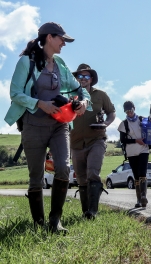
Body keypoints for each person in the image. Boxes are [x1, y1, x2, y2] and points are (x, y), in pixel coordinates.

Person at [4, 22, 90, 233]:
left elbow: (82, 91)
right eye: (62, 39)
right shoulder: (27, 62)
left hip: (59, 125)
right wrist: (40, 103)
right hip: (33, 125)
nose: (64, 43)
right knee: (36, 177)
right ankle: (38, 223)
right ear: (49, 38)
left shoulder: (60, 64)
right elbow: (15, 93)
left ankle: (55, 221)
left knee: (63, 167)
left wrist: (83, 103)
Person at [71, 64, 116, 219]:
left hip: (96, 139)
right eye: (80, 76)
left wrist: (106, 124)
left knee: (92, 173)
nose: (83, 79)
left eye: (86, 76)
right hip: (75, 143)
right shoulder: (69, 95)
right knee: (81, 178)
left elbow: (111, 112)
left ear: (91, 79)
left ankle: (93, 211)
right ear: (76, 78)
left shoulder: (101, 95)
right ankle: (86, 212)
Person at [118, 101, 151, 208]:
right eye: (127, 111)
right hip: (131, 152)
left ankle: (143, 196)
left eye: (131, 111)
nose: (129, 113)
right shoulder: (123, 124)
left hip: (144, 149)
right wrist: (136, 140)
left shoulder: (143, 119)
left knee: (142, 173)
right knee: (136, 175)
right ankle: (138, 199)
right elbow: (123, 140)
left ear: (134, 109)